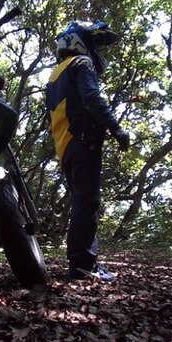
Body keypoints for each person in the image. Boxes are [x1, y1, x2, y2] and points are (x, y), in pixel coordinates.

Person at [46, 20, 131, 282]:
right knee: (87, 203)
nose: (97, 51)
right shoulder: (81, 64)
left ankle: (84, 262)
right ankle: (82, 265)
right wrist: (116, 128)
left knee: (83, 203)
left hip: (65, 146)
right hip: (84, 142)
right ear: (79, 41)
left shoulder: (54, 75)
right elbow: (92, 98)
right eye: (94, 44)